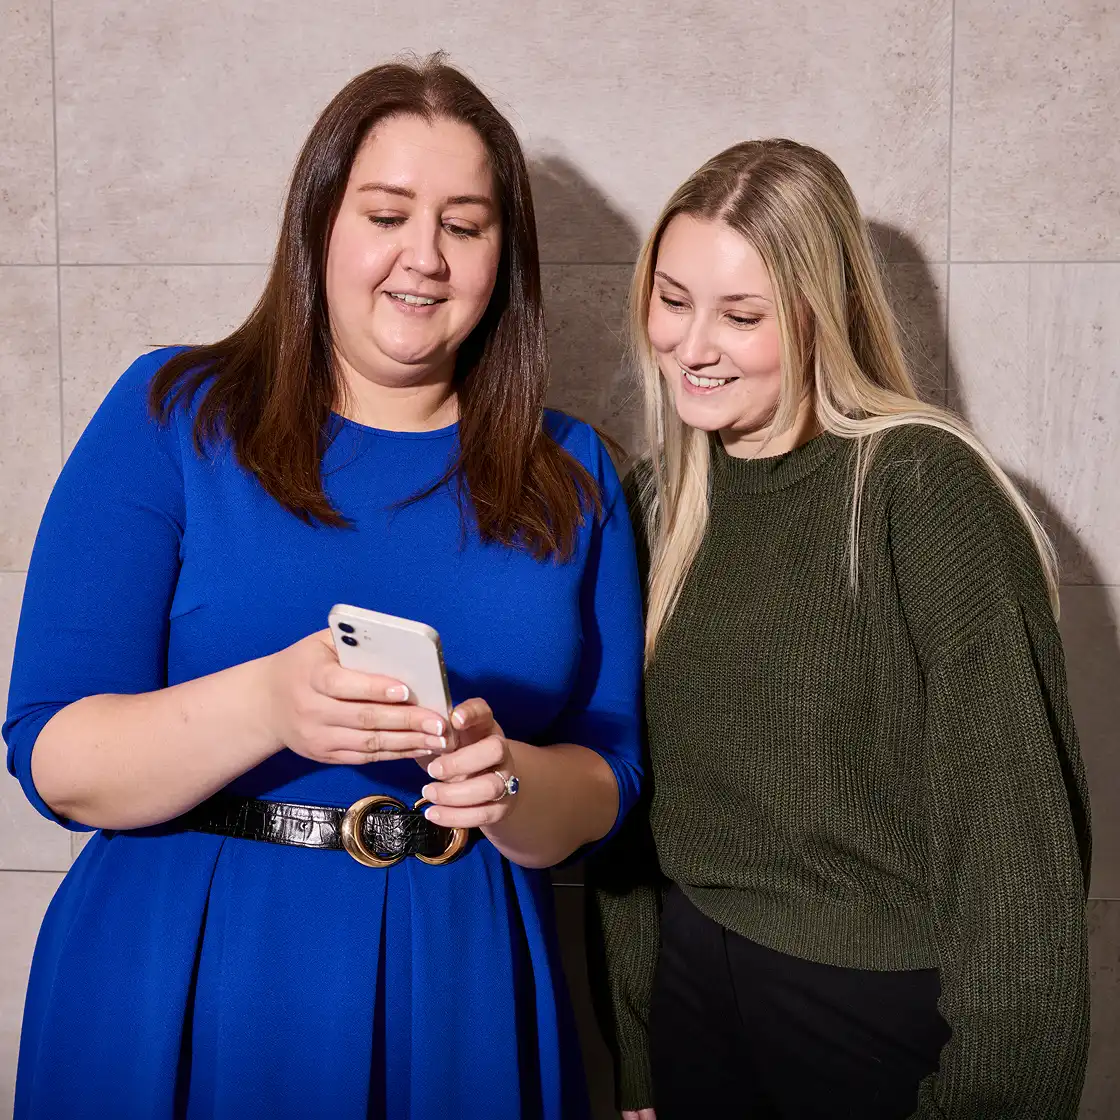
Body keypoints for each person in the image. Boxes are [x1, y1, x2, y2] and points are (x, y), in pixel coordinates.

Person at [4, 54, 644, 1120]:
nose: (423, 258)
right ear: (319, 227)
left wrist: (509, 781)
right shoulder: (174, 414)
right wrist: (264, 703)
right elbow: (55, 757)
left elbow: (611, 771)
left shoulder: (575, 471)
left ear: (503, 257)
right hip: (185, 967)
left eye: (465, 225)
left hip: (461, 985)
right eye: (387, 213)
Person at [587, 138, 1091, 1120]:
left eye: (741, 315)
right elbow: (634, 819)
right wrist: (641, 1050)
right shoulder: (657, 504)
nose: (693, 345)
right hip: (695, 1007)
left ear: (824, 316)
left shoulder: (919, 487)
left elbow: (1015, 844)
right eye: (673, 298)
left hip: (871, 1024)